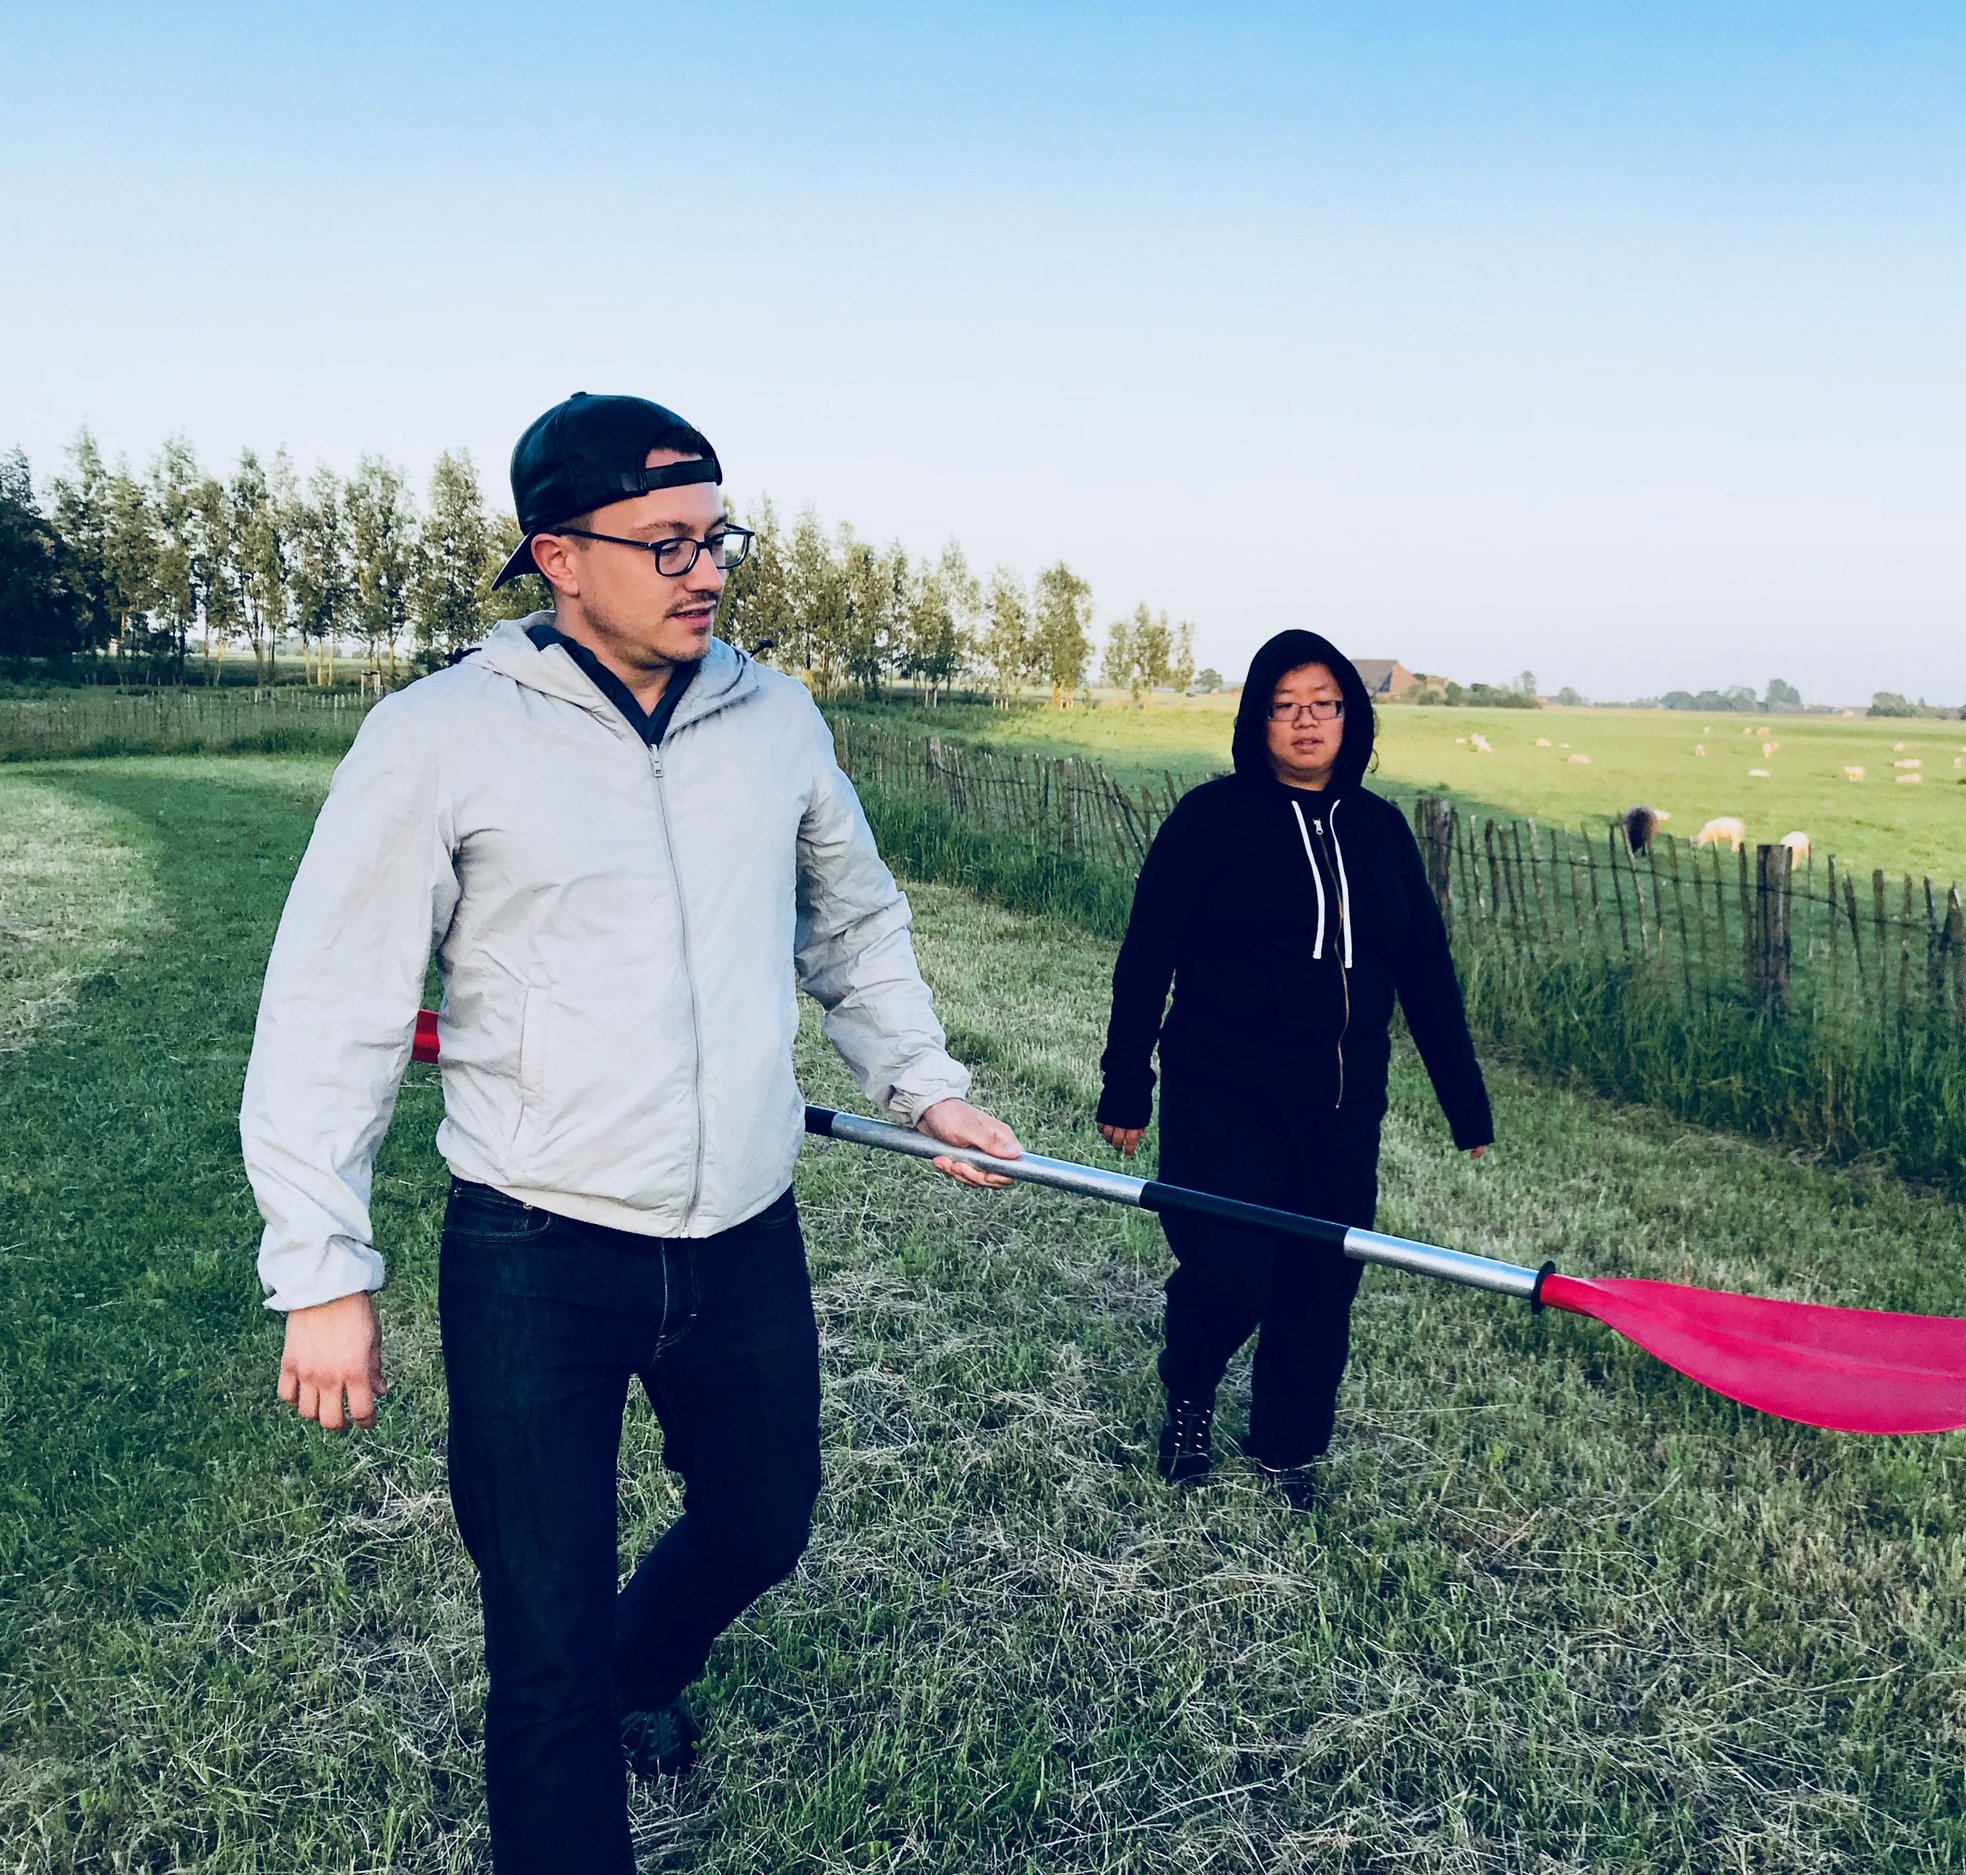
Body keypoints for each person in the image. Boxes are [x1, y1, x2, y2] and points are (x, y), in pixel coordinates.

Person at [239, 393, 1021, 1873]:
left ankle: (644, 1661)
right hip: (535, 1250)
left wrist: (922, 1079)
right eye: (665, 541)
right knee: (540, 1650)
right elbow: (332, 1003)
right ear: (558, 553)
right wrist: (323, 1266)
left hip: (742, 1233)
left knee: (762, 1521)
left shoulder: (776, 717)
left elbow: (851, 921)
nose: (706, 569)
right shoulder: (436, 738)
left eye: (718, 535)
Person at [1096, 629, 1494, 1508]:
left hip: (1343, 1109)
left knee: (1321, 1284)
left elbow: (1425, 970)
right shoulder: (1211, 821)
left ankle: (1286, 1447)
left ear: (1352, 716)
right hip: (1222, 1097)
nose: (1306, 721)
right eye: (1285, 706)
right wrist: (1127, 1082)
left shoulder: (1384, 833)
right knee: (1232, 1272)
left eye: (1324, 704)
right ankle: (1192, 1390)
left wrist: (1465, 1104)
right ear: (1257, 718)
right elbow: (1147, 953)